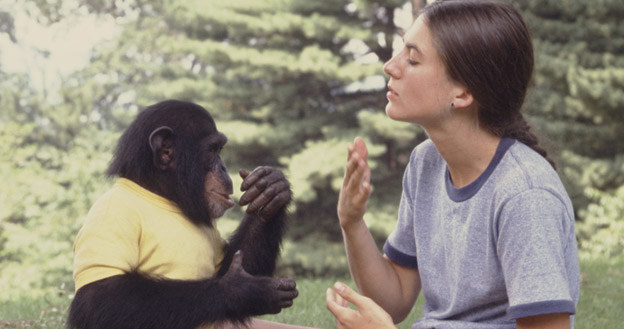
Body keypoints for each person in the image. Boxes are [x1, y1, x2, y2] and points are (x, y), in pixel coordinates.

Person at [325, 1, 580, 329]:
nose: (391, 66)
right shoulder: (426, 163)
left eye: (413, 59)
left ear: (462, 93)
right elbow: (396, 298)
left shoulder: (524, 193)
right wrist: (352, 222)